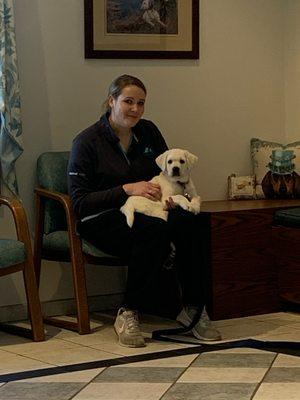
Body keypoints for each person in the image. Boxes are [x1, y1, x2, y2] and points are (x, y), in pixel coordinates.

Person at [68, 74, 221, 347]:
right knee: (154, 231)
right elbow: (80, 202)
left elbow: (169, 174)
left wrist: (179, 198)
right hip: (102, 217)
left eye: (141, 103)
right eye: (128, 102)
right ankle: (129, 310)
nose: (135, 109)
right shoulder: (87, 142)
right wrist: (127, 189)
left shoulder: (149, 131)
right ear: (111, 101)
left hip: (151, 207)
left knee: (192, 222)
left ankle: (194, 309)